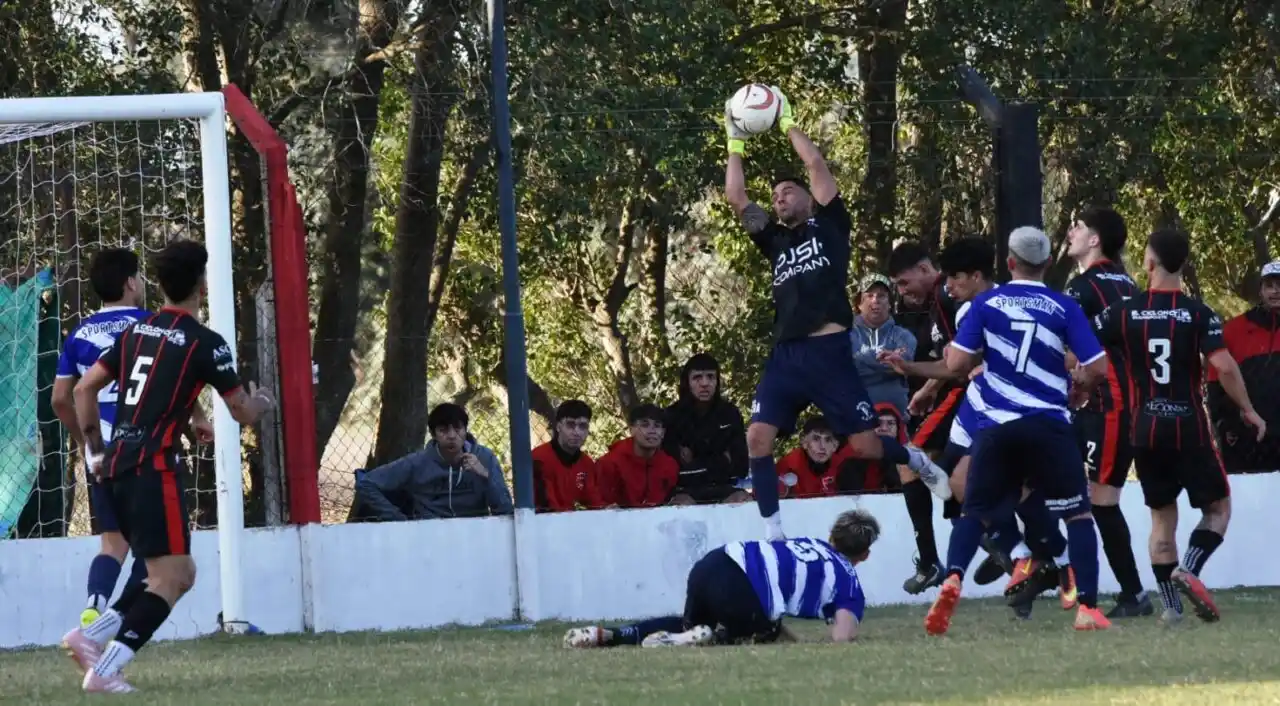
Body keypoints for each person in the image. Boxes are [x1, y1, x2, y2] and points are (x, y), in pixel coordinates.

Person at [721, 86, 946, 541]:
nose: (780, 198)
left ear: (809, 198)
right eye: (777, 195)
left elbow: (816, 165)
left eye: (788, 192)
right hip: (786, 356)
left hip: (828, 352)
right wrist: (734, 140)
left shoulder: (830, 226)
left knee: (864, 446)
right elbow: (736, 196)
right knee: (757, 440)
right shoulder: (775, 241)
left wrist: (784, 121)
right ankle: (774, 533)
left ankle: (916, 459)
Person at [61, 239, 275, 693]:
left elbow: (83, 391)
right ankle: (105, 669)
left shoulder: (137, 332)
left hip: (117, 464)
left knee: (175, 573)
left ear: (158, 285)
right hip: (152, 469)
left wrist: (96, 451)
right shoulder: (206, 343)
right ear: (201, 284)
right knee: (171, 578)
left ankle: (92, 635)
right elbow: (240, 412)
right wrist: (260, 401)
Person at [925, 227, 1112, 635]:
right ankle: (1088, 608)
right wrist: (1079, 384)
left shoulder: (985, 303)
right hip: (1048, 424)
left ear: (1009, 263)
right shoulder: (1063, 306)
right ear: (1047, 263)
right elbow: (1097, 367)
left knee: (974, 510)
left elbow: (956, 364)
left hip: (997, 425)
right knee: (1079, 515)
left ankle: (952, 577)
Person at [1093, 229, 1266, 624]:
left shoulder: (1123, 311)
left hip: (1144, 428)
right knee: (1218, 509)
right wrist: (1248, 409)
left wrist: (1081, 387)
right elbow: (1222, 366)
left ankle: (1170, 608)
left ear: (1149, 263)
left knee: (1161, 519)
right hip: (1189, 427)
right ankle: (1188, 568)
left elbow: (1080, 352)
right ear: (1184, 264)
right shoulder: (1199, 313)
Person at [562, 509, 880, 648]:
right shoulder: (849, 581)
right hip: (744, 590)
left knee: (692, 622)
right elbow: (842, 636)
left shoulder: (807, 544)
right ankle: (704, 639)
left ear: (830, 535)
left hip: (715, 562)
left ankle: (614, 635)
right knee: (762, 631)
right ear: (864, 555)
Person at [49, 249, 161, 628]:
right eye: (140, 278)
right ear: (131, 283)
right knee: (157, 544)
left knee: (113, 543)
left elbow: (61, 398)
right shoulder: (152, 326)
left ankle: (94, 604)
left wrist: (85, 442)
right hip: (144, 449)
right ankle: (115, 620)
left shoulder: (79, 334)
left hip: (102, 449)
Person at [1061, 207, 1151, 618]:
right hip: (1115, 404)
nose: (1071, 232)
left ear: (1094, 240)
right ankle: (1058, 573)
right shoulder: (1128, 282)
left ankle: (1133, 594)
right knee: (1055, 481)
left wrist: (1073, 381)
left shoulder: (1083, 286)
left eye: (1078, 227)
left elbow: (1070, 349)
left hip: (1110, 406)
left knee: (1102, 501)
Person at [355, 403, 514, 521]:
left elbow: (505, 510)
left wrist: (485, 475)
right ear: (433, 434)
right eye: (443, 430)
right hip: (428, 535)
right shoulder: (418, 462)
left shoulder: (485, 457)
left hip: (473, 532)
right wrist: (398, 520)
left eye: (458, 429)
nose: (452, 436)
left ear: (466, 431)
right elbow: (366, 483)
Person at [663, 353, 750, 505]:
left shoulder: (730, 413)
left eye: (710, 377)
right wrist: (722, 459)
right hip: (684, 490)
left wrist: (695, 459)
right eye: (697, 377)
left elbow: (741, 466)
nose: (704, 383)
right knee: (680, 506)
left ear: (717, 381)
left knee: (744, 501)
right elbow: (674, 470)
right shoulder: (671, 416)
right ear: (687, 382)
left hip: (723, 487)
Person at [849, 273, 917, 417]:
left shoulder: (903, 335)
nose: (876, 300)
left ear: (890, 303)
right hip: (855, 419)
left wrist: (860, 357)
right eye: (869, 295)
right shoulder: (846, 335)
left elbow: (903, 364)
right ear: (859, 303)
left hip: (896, 421)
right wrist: (886, 361)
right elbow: (846, 369)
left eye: (881, 296)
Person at [531, 400, 595, 513]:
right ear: (558, 426)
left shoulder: (587, 464)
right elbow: (546, 507)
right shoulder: (539, 459)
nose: (577, 432)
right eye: (570, 425)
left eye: (583, 426)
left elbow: (596, 501)